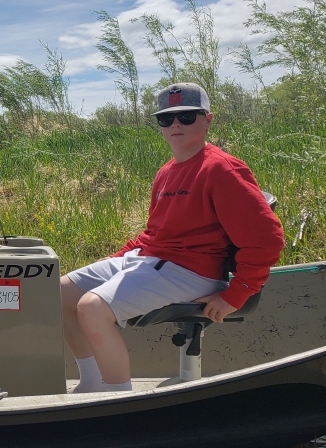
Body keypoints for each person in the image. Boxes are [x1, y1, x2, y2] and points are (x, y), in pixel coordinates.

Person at [61, 83, 285, 393]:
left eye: (187, 116)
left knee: (92, 308)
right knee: (58, 294)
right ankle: (90, 382)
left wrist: (238, 292)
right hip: (154, 260)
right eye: (167, 119)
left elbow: (268, 239)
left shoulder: (222, 170)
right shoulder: (165, 172)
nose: (176, 124)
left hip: (193, 270)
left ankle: (116, 402)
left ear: (207, 120)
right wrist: (116, 258)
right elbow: (154, 233)